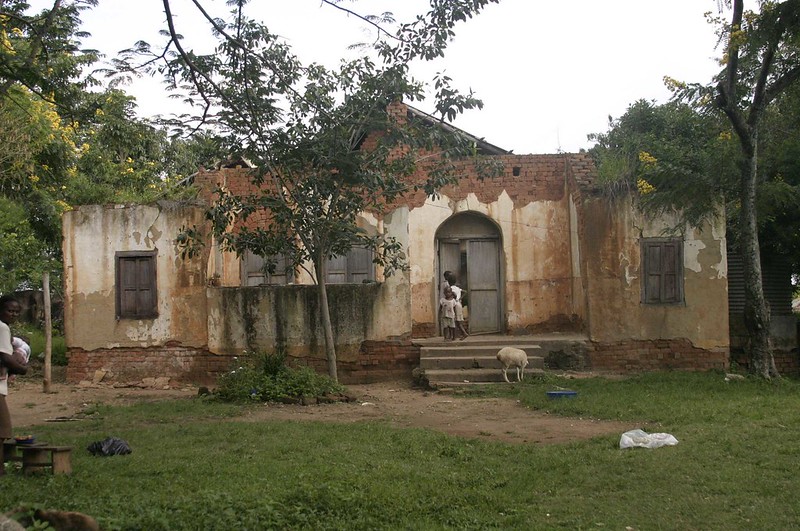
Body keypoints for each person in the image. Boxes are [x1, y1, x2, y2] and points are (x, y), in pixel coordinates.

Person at [0, 295, 28, 449]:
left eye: (17, 312)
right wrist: (22, 369)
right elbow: (5, 357)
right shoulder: (2, 328)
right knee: (2, 430)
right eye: (10, 311)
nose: (14, 315)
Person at [444, 272, 469, 340]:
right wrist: (460, 298)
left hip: (455, 306)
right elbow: (465, 292)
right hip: (459, 304)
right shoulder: (457, 288)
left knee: (457, 322)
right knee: (458, 321)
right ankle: (456, 336)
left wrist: (455, 298)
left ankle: (464, 333)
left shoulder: (450, 289)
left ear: (448, 282)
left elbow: (454, 294)